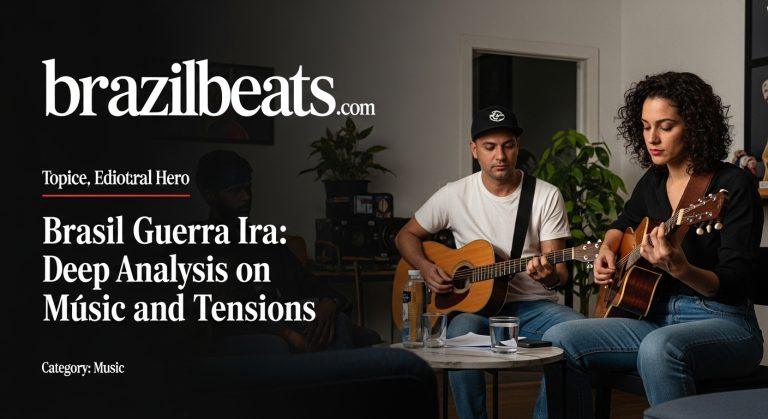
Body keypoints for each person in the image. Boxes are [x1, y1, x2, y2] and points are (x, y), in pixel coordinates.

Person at [535, 72, 764, 419]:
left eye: (665, 126)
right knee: (560, 337)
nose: (652, 139)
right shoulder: (653, 181)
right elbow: (620, 223)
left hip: (726, 324)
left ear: (694, 126)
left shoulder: (731, 185)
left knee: (659, 348)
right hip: (654, 316)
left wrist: (681, 268)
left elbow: (735, 282)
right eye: (645, 126)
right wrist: (609, 250)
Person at [396, 106, 583, 419]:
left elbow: (559, 273)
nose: (501, 155)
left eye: (508, 145)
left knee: (579, 333)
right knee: (458, 337)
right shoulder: (453, 195)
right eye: (490, 147)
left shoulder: (545, 195)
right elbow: (405, 237)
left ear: (517, 147)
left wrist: (547, 275)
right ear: (474, 149)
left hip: (532, 306)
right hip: (474, 310)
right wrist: (426, 267)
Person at [193, 150, 378, 354]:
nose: (246, 197)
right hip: (258, 330)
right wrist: (287, 334)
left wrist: (328, 303)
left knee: (363, 334)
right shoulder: (198, 243)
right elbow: (223, 310)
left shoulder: (266, 243)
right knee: (341, 328)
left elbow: (311, 283)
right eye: (236, 191)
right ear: (210, 195)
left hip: (295, 321)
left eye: (248, 188)